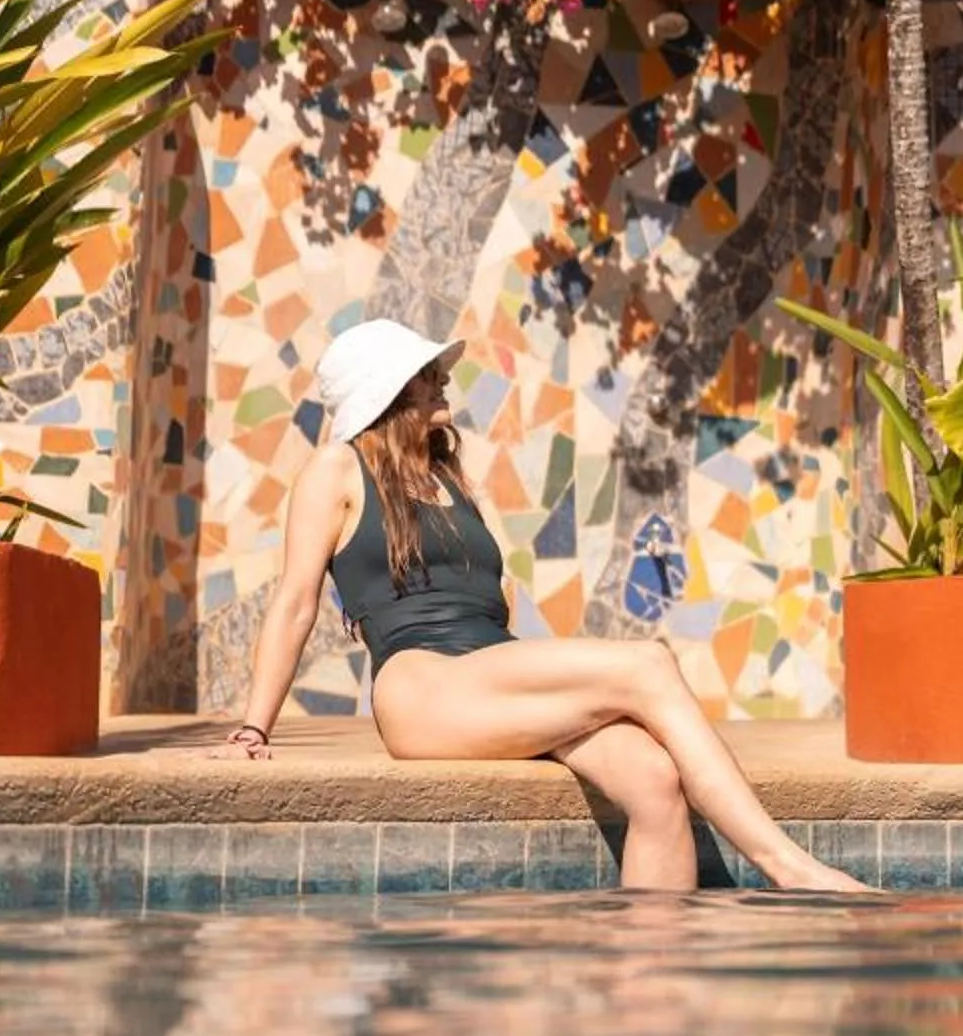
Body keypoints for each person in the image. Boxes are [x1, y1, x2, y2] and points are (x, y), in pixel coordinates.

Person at [223, 317, 860, 894]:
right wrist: (255, 728)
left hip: (490, 669)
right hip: (421, 684)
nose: (444, 379)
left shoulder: (447, 476)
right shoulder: (336, 468)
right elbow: (295, 602)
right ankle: (788, 866)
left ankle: (652, 990)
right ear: (388, 391)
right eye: (427, 374)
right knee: (646, 664)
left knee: (654, 780)